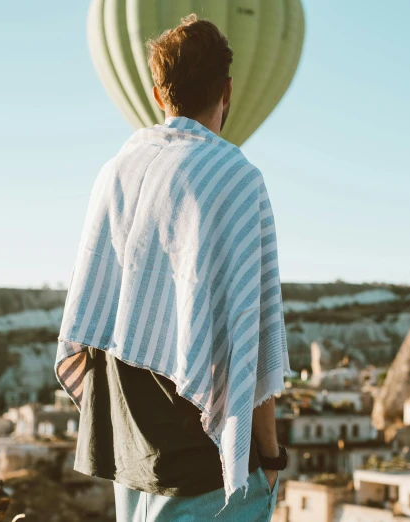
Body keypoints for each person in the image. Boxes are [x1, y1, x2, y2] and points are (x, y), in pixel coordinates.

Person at [54, 15, 290, 521]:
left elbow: (95, 314)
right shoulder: (239, 180)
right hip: (206, 464)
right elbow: (253, 331)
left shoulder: (115, 171)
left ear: (159, 95)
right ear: (227, 91)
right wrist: (269, 455)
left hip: (127, 449)